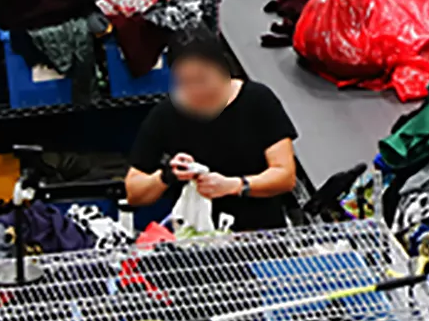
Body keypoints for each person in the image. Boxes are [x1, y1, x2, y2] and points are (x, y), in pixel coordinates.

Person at [124, 34, 300, 232]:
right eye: (185, 81)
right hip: (199, 241)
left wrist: (235, 186)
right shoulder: (165, 115)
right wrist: (167, 176)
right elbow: (134, 192)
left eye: (202, 79)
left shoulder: (257, 100)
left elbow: (285, 176)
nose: (196, 90)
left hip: (260, 235)